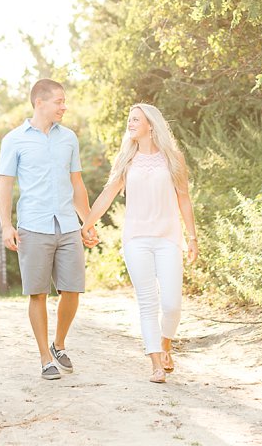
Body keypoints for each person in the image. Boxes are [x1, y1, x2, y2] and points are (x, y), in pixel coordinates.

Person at [82, 104, 198, 383]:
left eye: (136, 119)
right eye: (129, 120)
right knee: (148, 302)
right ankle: (156, 364)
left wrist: (192, 237)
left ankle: (165, 344)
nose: (130, 123)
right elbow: (108, 193)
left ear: (151, 124)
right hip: (136, 240)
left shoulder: (173, 159)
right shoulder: (126, 160)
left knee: (172, 304)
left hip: (168, 238)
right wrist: (86, 222)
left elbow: (184, 198)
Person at [0, 79, 98, 381]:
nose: (64, 106)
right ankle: (45, 358)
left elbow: (76, 183)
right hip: (33, 225)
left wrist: (88, 222)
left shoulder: (68, 138)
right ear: (39, 102)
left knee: (72, 290)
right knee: (37, 293)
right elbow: (5, 185)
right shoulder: (13, 140)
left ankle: (59, 344)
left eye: (64, 101)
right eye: (59, 101)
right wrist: (6, 225)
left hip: (67, 225)